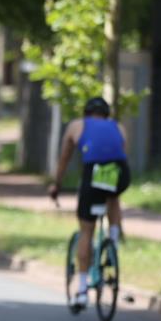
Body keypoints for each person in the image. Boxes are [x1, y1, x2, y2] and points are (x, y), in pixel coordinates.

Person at [48, 97, 132, 308]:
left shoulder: (77, 125)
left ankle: (83, 289)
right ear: (107, 115)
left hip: (93, 172)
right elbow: (122, 154)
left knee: (86, 231)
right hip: (120, 171)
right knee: (112, 195)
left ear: (86, 113)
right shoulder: (118, 126)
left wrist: (56, 185)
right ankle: (113, 240)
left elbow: (64, 159)